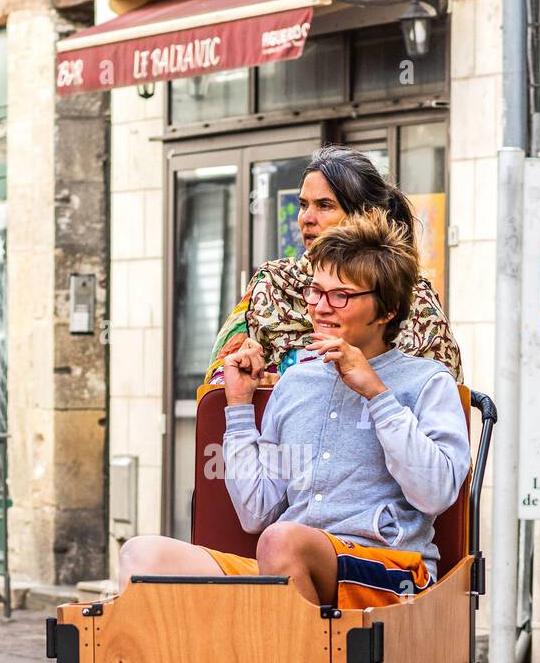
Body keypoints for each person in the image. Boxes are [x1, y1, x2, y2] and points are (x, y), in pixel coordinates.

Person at [118, 208, 470, 607]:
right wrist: (237, 407)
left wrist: (376, 393)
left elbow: (437, 494)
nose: (320, 307)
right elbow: (257, 512)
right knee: (142, 557)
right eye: (315, 292)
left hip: (390, 572)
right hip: (285, 560)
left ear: (387, 310)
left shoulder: (427, 382)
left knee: (283, 541)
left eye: (341, 295)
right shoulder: (297, 382)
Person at [204, 144, 463, 387]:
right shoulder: (273, 285)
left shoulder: (408, 296)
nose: (307, 218)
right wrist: (257, 380)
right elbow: (217, 386)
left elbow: (442, 400)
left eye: (325, 205)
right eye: (303, 205)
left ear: (368, 215)